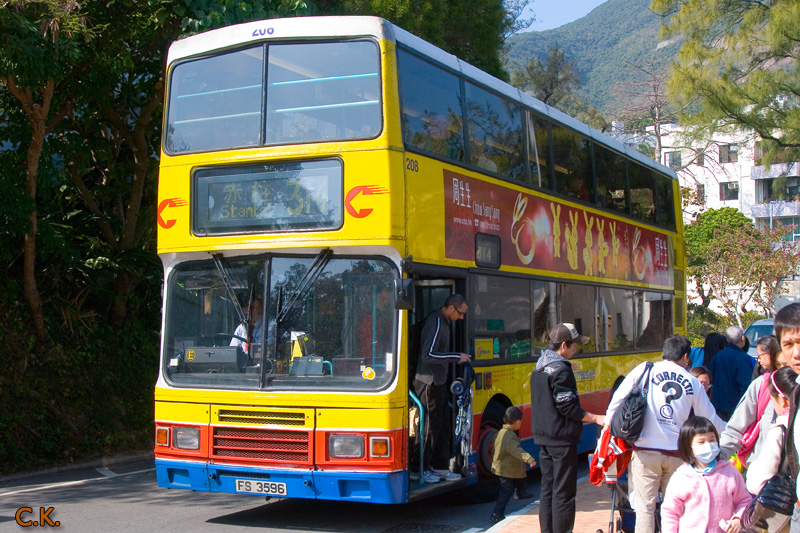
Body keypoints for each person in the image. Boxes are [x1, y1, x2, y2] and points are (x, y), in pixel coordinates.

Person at [605, 335, 725, 533]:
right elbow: (709, 417)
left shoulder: (645, 370)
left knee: (644, 509)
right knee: (675, 509)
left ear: (664, 353)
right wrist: (732, 431)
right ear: (685, 356)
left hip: (645, 452)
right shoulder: (692, 381)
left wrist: (607, 425)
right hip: (676, 455)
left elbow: (619, 397)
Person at [531, 323, 605, 533]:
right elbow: (567, 406)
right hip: (562, 439)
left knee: (547, 490)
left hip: (543, 436)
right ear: (564, 345)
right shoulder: (561, 369)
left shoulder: (539, 367)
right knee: (563, 493)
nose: (576, 349)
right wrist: (595, 418)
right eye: (574, 345)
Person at [410, 294, 471, 484]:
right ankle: (418, 468)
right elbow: (428, 355)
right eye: (460, 313)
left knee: (443, 424)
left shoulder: (443, 322)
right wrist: (456, 357)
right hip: (428, 382)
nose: (461, 317)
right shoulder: (436, 322)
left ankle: (438, 466)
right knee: (429, 426)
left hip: (439, 382)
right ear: (451, 307)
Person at [660, 416, 751, 533]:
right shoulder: (681, 477)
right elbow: (669, 512)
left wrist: (739, 519)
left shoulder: (730, 472)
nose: (708, 445)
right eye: (701, 442)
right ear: (688, 446)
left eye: (712, 440)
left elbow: (744, 500)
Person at [489, 406, 536, 524]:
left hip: (503, 466)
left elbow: (494, 449)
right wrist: (529, 459)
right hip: (505, 468)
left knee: (520, 477)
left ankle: (521, 492)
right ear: (517, 422)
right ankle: (496, 514)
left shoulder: (500, 432)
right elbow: (516, 450)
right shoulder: (509, 436)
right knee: (506, 491)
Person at [709, 326, 755, 420]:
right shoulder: (743, 357)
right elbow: (745, 383)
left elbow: (710, 377)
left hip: (718, 404)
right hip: (736, 405)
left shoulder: (718, 356)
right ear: (743, 338)